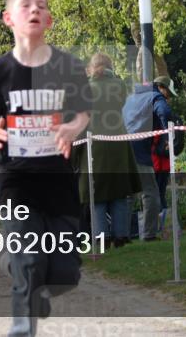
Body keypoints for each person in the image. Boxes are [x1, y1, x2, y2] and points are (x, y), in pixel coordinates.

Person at [0, 0, 93, 337]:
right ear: (8, 18)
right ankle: (22, 325)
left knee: (65, 274)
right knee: (29, 258)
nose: (35, 10)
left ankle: (19, 269)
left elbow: (83, 113)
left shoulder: (69, 67)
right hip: (14, 178)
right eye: (26, 4)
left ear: (50, 20)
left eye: (41, 5)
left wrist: (72, 127)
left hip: (57, 177)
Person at [73, 53, 140, 248]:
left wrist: (73, 153)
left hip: (94, 144)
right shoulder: (119, 85)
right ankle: (121, 236)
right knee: (119, 193)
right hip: (118, 142)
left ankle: (102, 238)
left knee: (96, 195)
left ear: (91, 68)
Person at [121, 78, 161, 242]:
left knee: (128, 196)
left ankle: (122, 235)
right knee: (150, 193)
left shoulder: (129, 99)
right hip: (140, 153)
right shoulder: (154, 97)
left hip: (124, 149)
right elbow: (164, 112)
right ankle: (149, 234)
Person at [149, 75, 178, 236]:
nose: (169, 98)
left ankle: (161, 227)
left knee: (157, 194)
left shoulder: (153, 103)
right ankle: (162, 227)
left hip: (160, 159)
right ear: (161, 88)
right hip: (159, 160)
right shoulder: (159, 105)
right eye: (168, 93)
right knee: (158, 194)